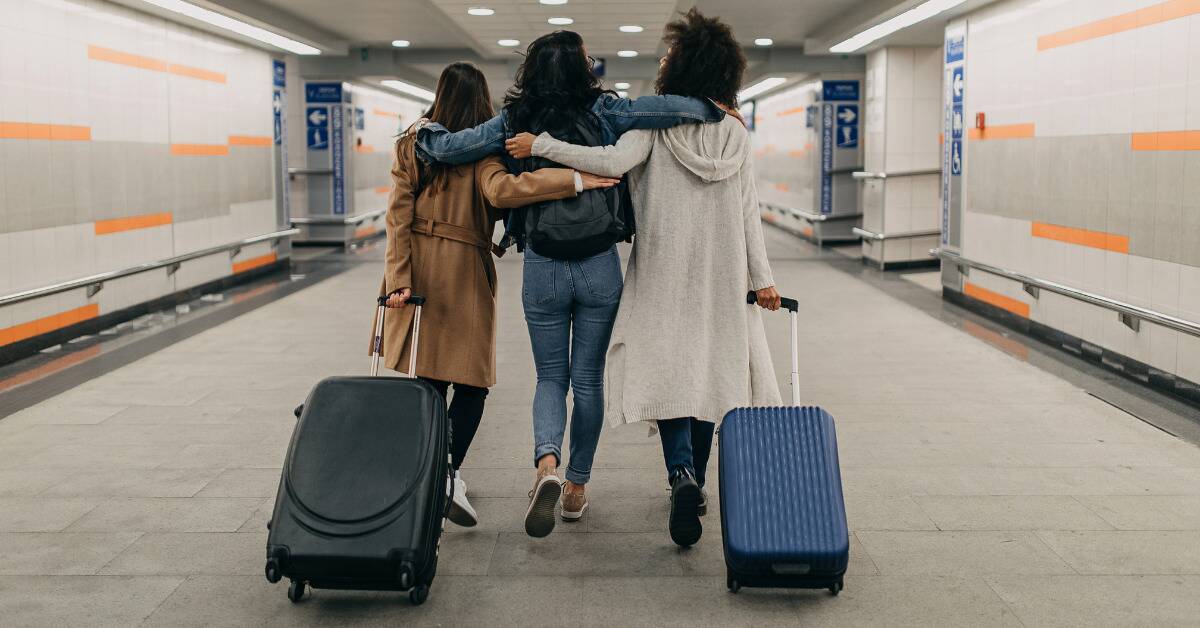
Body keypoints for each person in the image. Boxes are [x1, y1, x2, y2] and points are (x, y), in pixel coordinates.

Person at [412, 31, 728, 539]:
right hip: (599, 263)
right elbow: (663, 109)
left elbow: (453, 148)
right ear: (584, 68)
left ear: (530, 70)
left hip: (542, 264)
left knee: (550, 379)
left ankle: (546, 467)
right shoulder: (605, 109)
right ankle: (577, 487)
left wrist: (424, 135)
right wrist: (710, 108)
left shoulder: (517, 119)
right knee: (588, 382)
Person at [504, 9, 783, 547]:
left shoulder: (653, 129)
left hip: (662, 268)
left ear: (683, 68)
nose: (661, 61)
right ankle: (693, 481)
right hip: (721, 275)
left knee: (670, 373)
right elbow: (749, 211)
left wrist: (541, 145)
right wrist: (762, 278)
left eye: (669, 56)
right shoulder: (737, 135)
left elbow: (606, 164)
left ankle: (677, 473)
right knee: (708, 373)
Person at [378, 62, 620, 528]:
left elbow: (397, 218)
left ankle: (429, 471)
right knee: (472, 386)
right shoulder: (483, 153)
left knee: (426, 379)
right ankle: (447, 471)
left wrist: (398, 280)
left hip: (419, 274)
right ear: (481, 104)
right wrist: (575, 179)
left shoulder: (412, 144)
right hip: (465, 272)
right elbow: (506, 190)